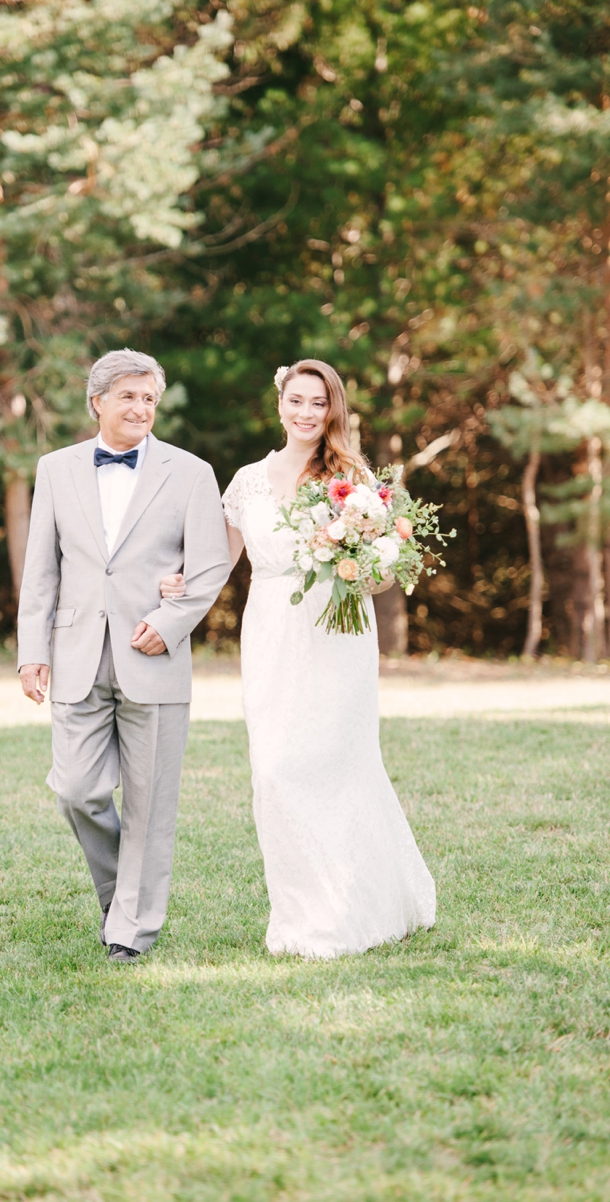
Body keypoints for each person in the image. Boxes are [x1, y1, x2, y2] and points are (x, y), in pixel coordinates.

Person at [160, 359, 435, 958]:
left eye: (319, 403)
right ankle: (300, 909)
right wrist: (178, 590)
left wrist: (372, 560)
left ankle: (343, 913)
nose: (308, 413)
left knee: (338, 760)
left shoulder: (353, 477)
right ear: (280, 402)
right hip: (272, 631)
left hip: (339, 629)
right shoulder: (246, 481)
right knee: (277, 768)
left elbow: (384, 574)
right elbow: (218, 561)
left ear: (333, 410)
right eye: (298, 400)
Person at [17, 349, 230, 962]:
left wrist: (171, 621)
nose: (141, 408)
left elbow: (212, 564)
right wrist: (33, 650)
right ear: (98, 403)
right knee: (77, 790)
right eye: (129, 397)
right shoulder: (55, 469)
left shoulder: (190, 472)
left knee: (149, 801)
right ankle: (121, 896)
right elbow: (41, 568)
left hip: (154, 654)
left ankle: (131, 931)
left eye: (148, 398)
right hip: (76, 651)